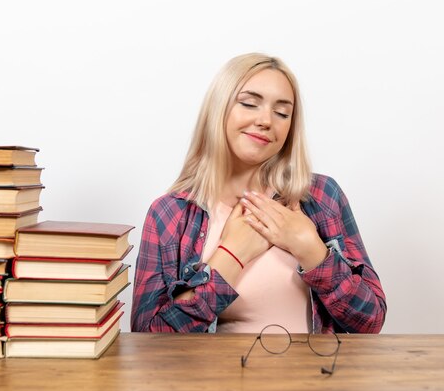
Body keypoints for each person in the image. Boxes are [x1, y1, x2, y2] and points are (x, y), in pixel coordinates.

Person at [130, 53, 386, 334]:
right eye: (250, 103)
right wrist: (231, 255)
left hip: (314, 378)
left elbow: (371, 321)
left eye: (282, 113)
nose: (266, 121)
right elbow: (149, 339)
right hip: (215, 379)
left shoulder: (323, 197)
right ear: (219, 109)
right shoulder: (170, 214)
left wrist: (311, 250)